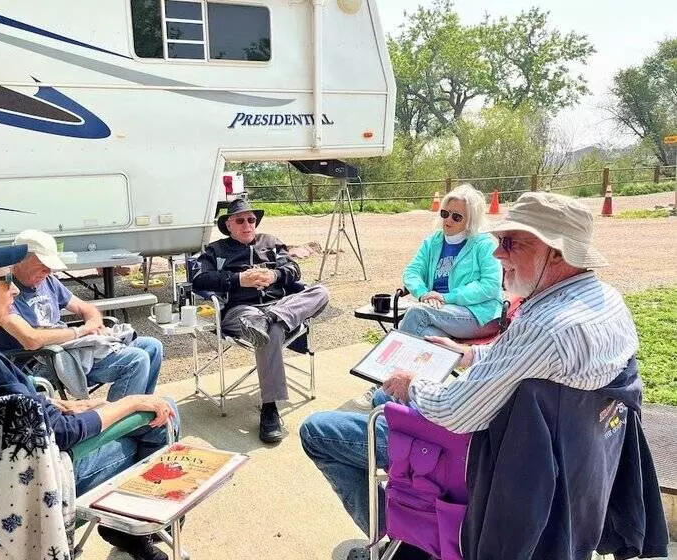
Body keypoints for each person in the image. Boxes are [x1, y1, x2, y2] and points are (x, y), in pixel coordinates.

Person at [300, 192, 642, 559]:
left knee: (317, 430)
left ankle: (399, 531)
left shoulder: (547, 327)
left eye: (510, 243)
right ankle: (407, 530)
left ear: (556, 252)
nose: (498, 253)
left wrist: (412, 384)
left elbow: (456, 413)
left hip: (486, 454)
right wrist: (467, 354)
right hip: (570, 460)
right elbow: (528, 361)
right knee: (386, 397)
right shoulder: (605, 300)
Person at [0, 231, 177, 559]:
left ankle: (129, 527)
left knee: (127, 400)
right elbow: (60, 434)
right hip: (26, 495)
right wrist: (130, 403)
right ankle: (131, 528)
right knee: (160, 417)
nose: (15, 288)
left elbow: (13, 409)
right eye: (4, 279)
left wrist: (61, 403)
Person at [192, 198, 329, 444]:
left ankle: (272, 318)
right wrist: (237, 280)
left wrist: (275, 274)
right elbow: (200, 280)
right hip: (242, 312)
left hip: (278, 307)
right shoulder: (216, 250)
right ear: (229, 225)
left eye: (251, 219)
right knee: (271, 331)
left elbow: (294, 270)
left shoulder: (272, 243)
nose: (247, 224)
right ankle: (269, 409)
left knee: (320, 292)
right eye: (240, 220)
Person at [0, 229, 163, 402]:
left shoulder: (48, 280)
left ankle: (141, 420)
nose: (48, 271)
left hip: (66, 350)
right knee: (136, 360)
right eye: (42, 265)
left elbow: (86, 308)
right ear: (20, 260)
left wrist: (95, 324)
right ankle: (114, 422)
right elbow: (31, 339)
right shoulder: (5, 291)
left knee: (152, 347)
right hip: (38, 361)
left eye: (50, 266)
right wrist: (80, 332)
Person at [398, 184, 503, 340]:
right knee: (425, 336)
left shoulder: (484, 244)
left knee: (417, 313)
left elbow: (490, 286)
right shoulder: (433, 242)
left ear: (470, 220)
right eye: (445, 213)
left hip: (479, 314)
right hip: (439, 311)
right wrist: (423, 294)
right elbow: (412, 271)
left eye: (456, 216)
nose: (448, 219)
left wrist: (446, 297)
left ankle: (385, 363)